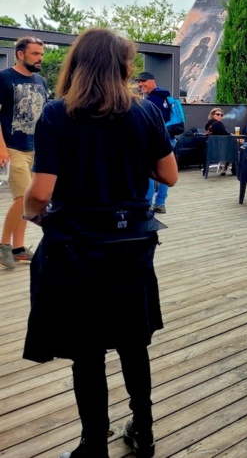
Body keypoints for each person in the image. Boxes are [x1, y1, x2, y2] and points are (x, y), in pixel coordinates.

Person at [22, 28, 178, 458]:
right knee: (133, 342)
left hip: (76, 249)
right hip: (131, 245)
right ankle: (143, 431)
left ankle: (93, 443)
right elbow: (169, 175)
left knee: (87, 351)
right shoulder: (145, 112)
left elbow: (40, 193)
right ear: (122, 66)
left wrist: (29, 215)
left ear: (77, 64)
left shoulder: (57, 114)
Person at [0, 36, 48, 269]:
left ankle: (19, 248)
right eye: (35, 54)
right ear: (21, 54)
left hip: (35, 148)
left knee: (28, 201)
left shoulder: (41, 80)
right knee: (21, 199)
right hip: (11, 147)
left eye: (41, 54)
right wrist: (1, 148)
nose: (40, 58)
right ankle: (3, 247)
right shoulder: (4, 78)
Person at [136, 72, 173, 214]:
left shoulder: (151, 100)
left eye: (143, 81)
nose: (140, 84)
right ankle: (161, 203)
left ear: (153, 81)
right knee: (164, 171)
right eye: (139, 82)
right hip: (169, 138)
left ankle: (148, 203)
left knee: (148, 171)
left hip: (154, 140)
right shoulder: (166, 97)